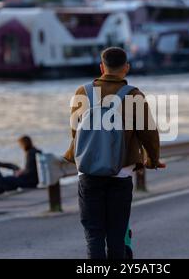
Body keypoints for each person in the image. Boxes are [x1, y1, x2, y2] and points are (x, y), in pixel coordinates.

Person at [64, 47, 165, 259]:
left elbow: (75, 131)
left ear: (102, 67)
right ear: (126, 68)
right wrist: (153, 160)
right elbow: (149, 133)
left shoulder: (82, 92)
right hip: (121, 173)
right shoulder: (134, 96)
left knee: (94, 234)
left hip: (89, 174)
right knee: (117, 236)